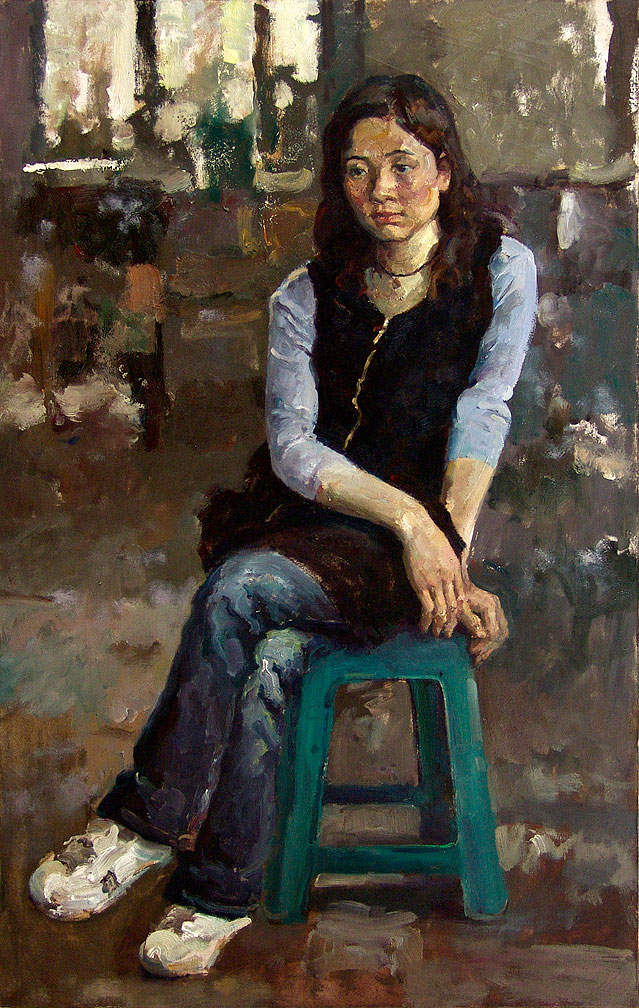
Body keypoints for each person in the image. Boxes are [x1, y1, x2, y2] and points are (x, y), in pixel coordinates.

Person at [28, 74, 537, 977]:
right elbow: (296, 450)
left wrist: (444, 548)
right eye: (357, 171)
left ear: (444, 168)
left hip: (411, 556)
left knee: (238, 592)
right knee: (268, 655)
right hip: (313, 527)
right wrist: (404, 517)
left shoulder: (501, 270)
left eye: (402, 165)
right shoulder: (304, 295)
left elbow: (483, 412)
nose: (381, 191)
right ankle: (217, 892)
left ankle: (147, 821)